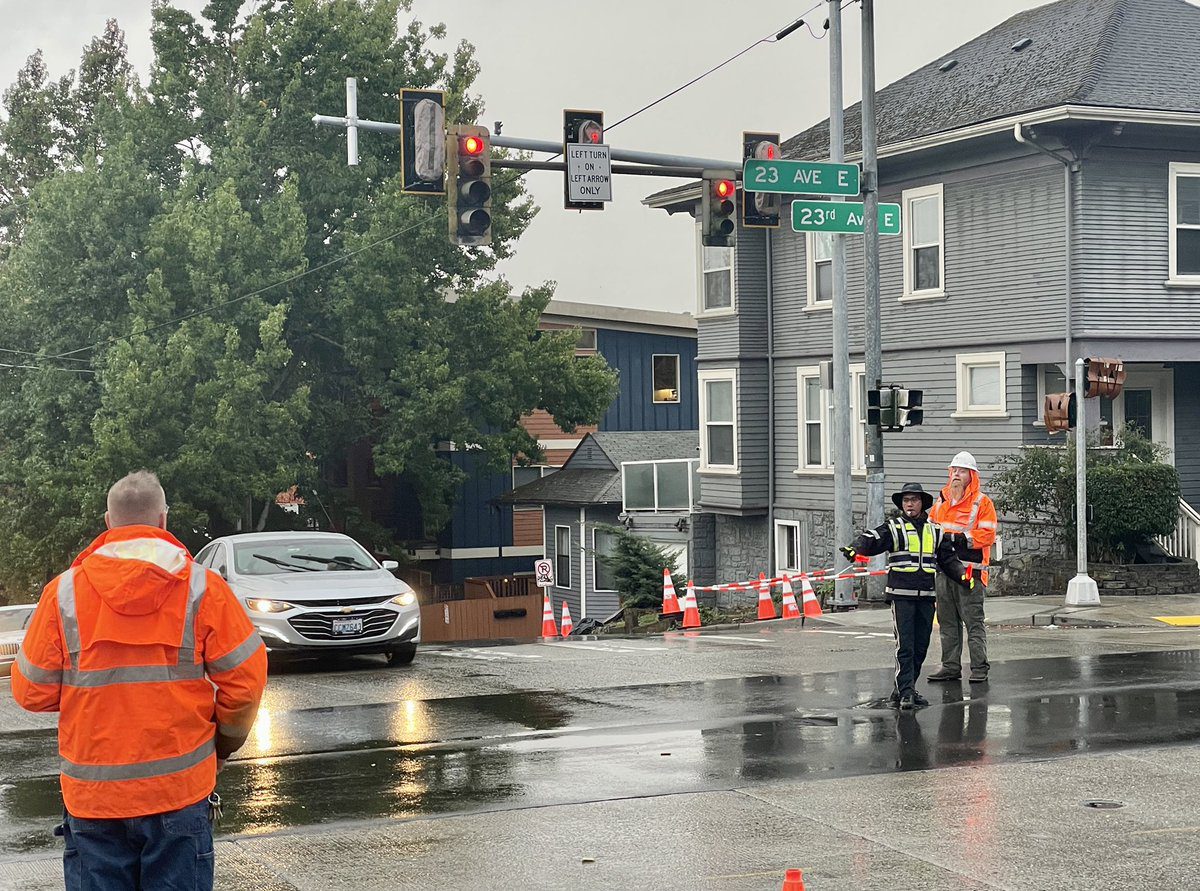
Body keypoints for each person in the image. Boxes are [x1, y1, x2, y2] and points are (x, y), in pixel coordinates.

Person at [12, 470, 267, 891]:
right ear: (164, 520)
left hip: (93, 799)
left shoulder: (63, 594)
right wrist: (222, 745)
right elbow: (246, 682)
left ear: (108, 523)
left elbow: (31, 692)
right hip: (178, 793)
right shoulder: (204, 588)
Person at [840, 482, 973, 710]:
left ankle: (905, 687)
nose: (909, 504)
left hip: (926, 596)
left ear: (922, 503)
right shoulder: (894, 527)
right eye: (906, 500)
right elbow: (873, 538)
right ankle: (906, 693)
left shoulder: (935, 530)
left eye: (914, 499)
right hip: (901, 595)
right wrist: (855, 548)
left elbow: (948, 560)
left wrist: (963, 577)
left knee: (921, 647)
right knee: (906, 646)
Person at [927, 451, 998, 684]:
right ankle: (950, 666)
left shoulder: (982, 503)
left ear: (972, 475)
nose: (956, 474)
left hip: (971, 574)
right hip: (944, 572)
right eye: (954, 470)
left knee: (973, 622)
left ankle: (979, 667)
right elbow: (930, 531)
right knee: (947, 622)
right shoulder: (941, 500)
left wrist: (959, 538)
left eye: (962, 471)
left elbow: (987, 535)